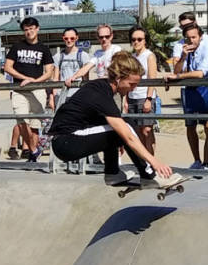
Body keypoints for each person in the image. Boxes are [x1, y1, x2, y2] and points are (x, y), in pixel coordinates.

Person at [49, 51, 186, 187]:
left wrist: (116, 141)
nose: (134, 89)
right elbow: (128, 136)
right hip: (67, 141)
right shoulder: (100, 95)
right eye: (131, 84)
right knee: (125, 126)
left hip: (67, 141)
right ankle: (150, 176)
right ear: (119, 79)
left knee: (118, 127)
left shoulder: (101, 87)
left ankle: (113, 174)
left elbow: (101, 122)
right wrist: (155, 163)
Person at [173, 23, 208, 170]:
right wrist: (183, 57)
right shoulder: (185, 50)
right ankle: (199, 162)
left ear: (200, 37)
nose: (191, 41)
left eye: (194, 37)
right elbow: (176, 69)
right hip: (193, 91)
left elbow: (201, 73)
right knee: (191, 126)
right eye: (188, 38)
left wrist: (178, 76)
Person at [3, 17, 56, 163]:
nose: (29, 32)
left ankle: (33, 158)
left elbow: (49, 72)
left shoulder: (44, 49)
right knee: (21, 121)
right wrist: (24, 78)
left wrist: (34, 81)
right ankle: (33, 150)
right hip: (19, 89)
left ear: (37, 29)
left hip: (37, 90)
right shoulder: (17, 47)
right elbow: (7, 67)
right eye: (26, 29)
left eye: (31, 28)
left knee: (35, 126)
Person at [126, 26, 158, 155]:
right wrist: (126, 99)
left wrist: (149, 99)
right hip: (133, 96)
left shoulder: (149, 56)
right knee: (137, 132)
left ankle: (151, 161)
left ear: (145, 40)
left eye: (139, 39)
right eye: (133, 39)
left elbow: (152, 78)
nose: (136, 42)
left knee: (147, 131)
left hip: (145, 97)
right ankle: (143, 162)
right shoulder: (132, 57)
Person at [55, 28, 94, 108]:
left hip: (78, 94)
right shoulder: (58, 56)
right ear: (63, 38)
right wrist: (53, 96)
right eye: (66, 38)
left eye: (72, 38)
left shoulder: (83, 55)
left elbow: (85, 79)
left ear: (76, 38)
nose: (69, 40)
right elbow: (55, 78)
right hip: (61, 94)